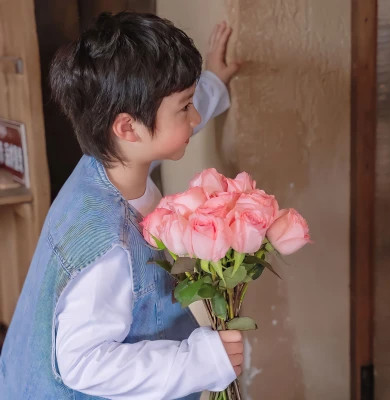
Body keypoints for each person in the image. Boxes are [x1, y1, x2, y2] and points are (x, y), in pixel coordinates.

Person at [0, 12, 243, 400]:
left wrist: (212, 82)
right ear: (127, 127)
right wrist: (201, 362)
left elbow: (162, 131)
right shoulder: (110, 247)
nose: (194, 115)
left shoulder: (109, 159)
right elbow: (83, 364)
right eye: (185, 106)